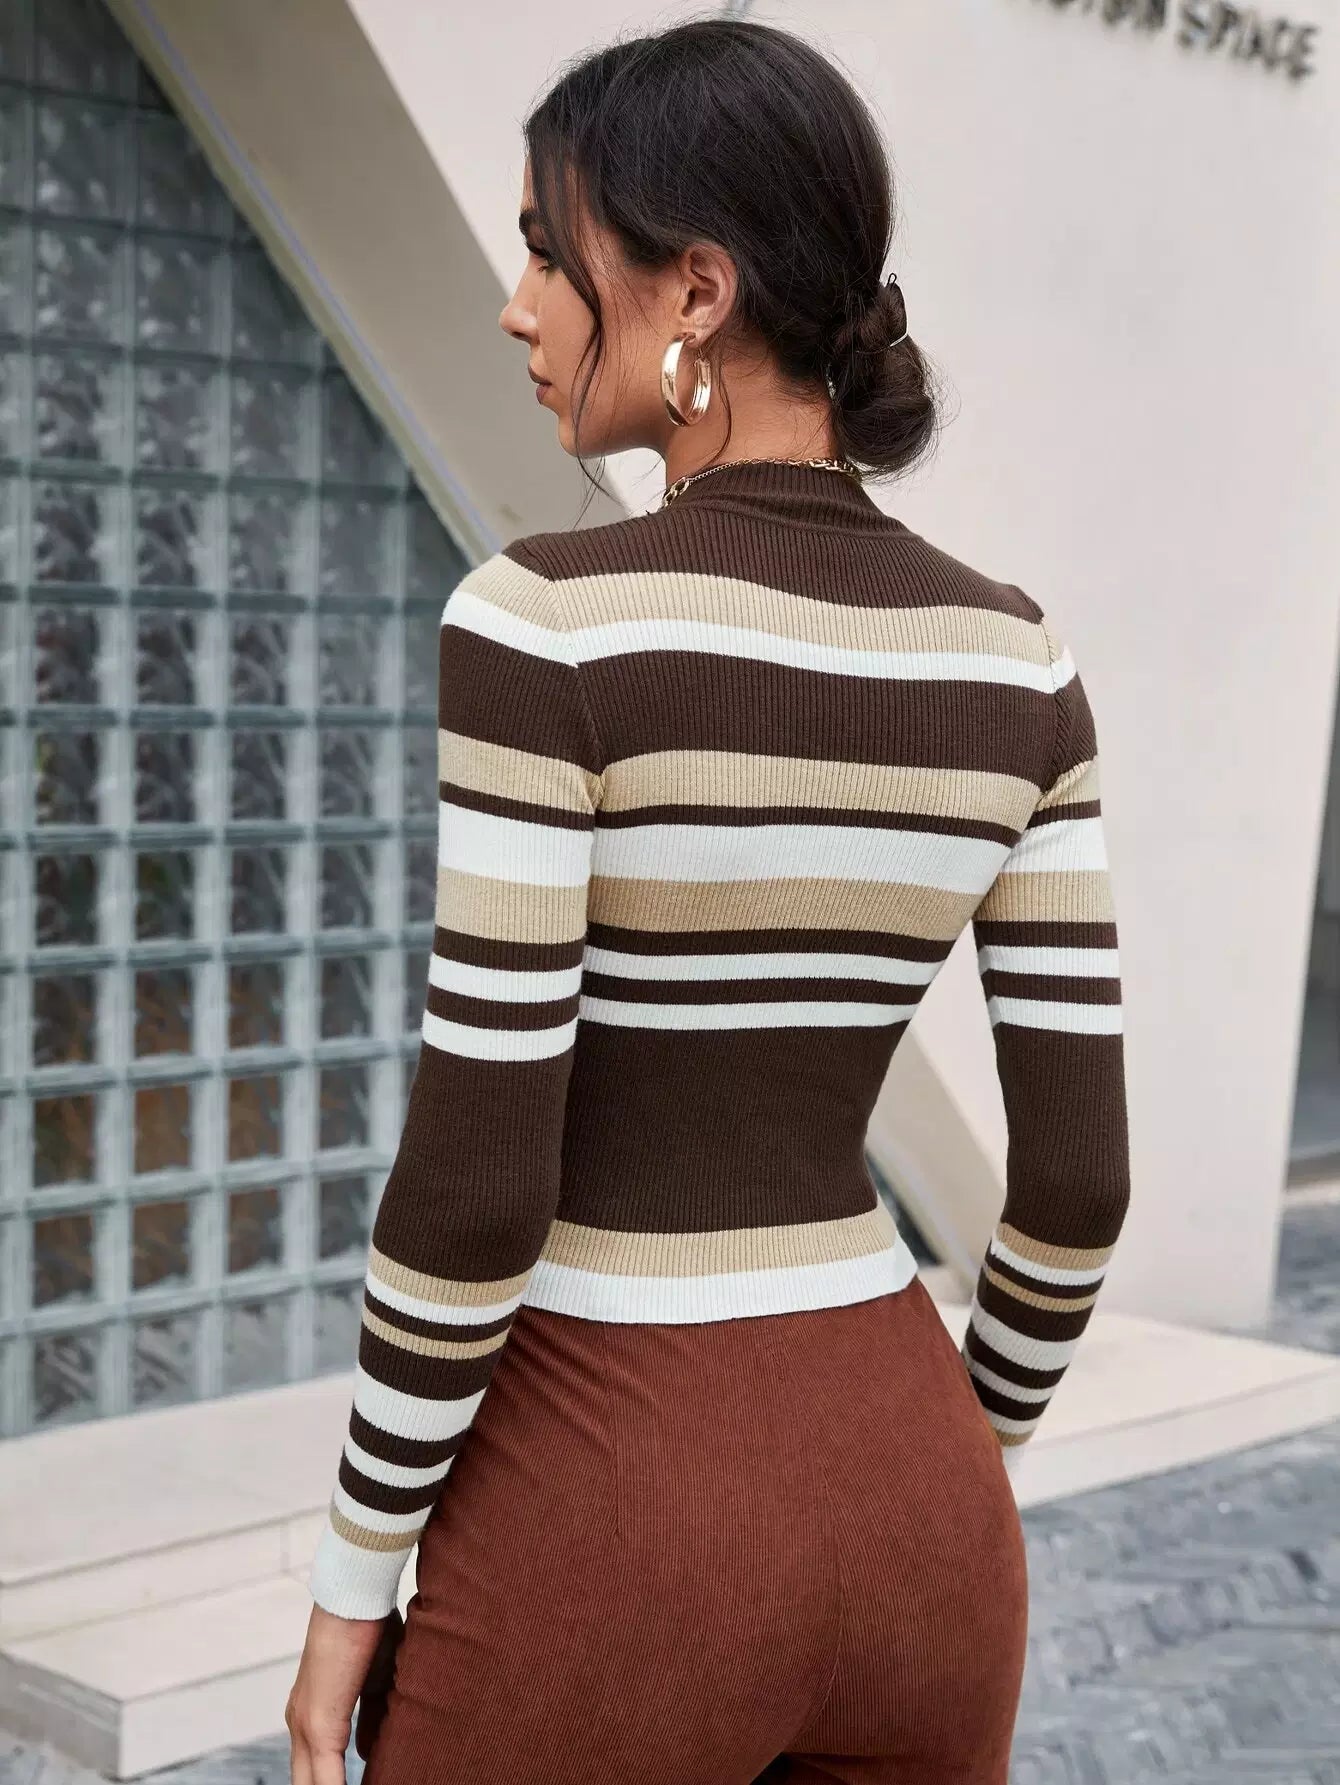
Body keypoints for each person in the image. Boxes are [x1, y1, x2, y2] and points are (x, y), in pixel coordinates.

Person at [286, 17, 1131, 1784]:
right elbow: (1076, 1186)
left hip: (616, 1515)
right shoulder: (1025, 662)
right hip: (923, 1515)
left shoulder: (544, 625)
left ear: (695, 290)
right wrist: (958, 1464)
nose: (515, 305)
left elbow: (477, 1188)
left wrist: (357, 1567)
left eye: (548, 250)